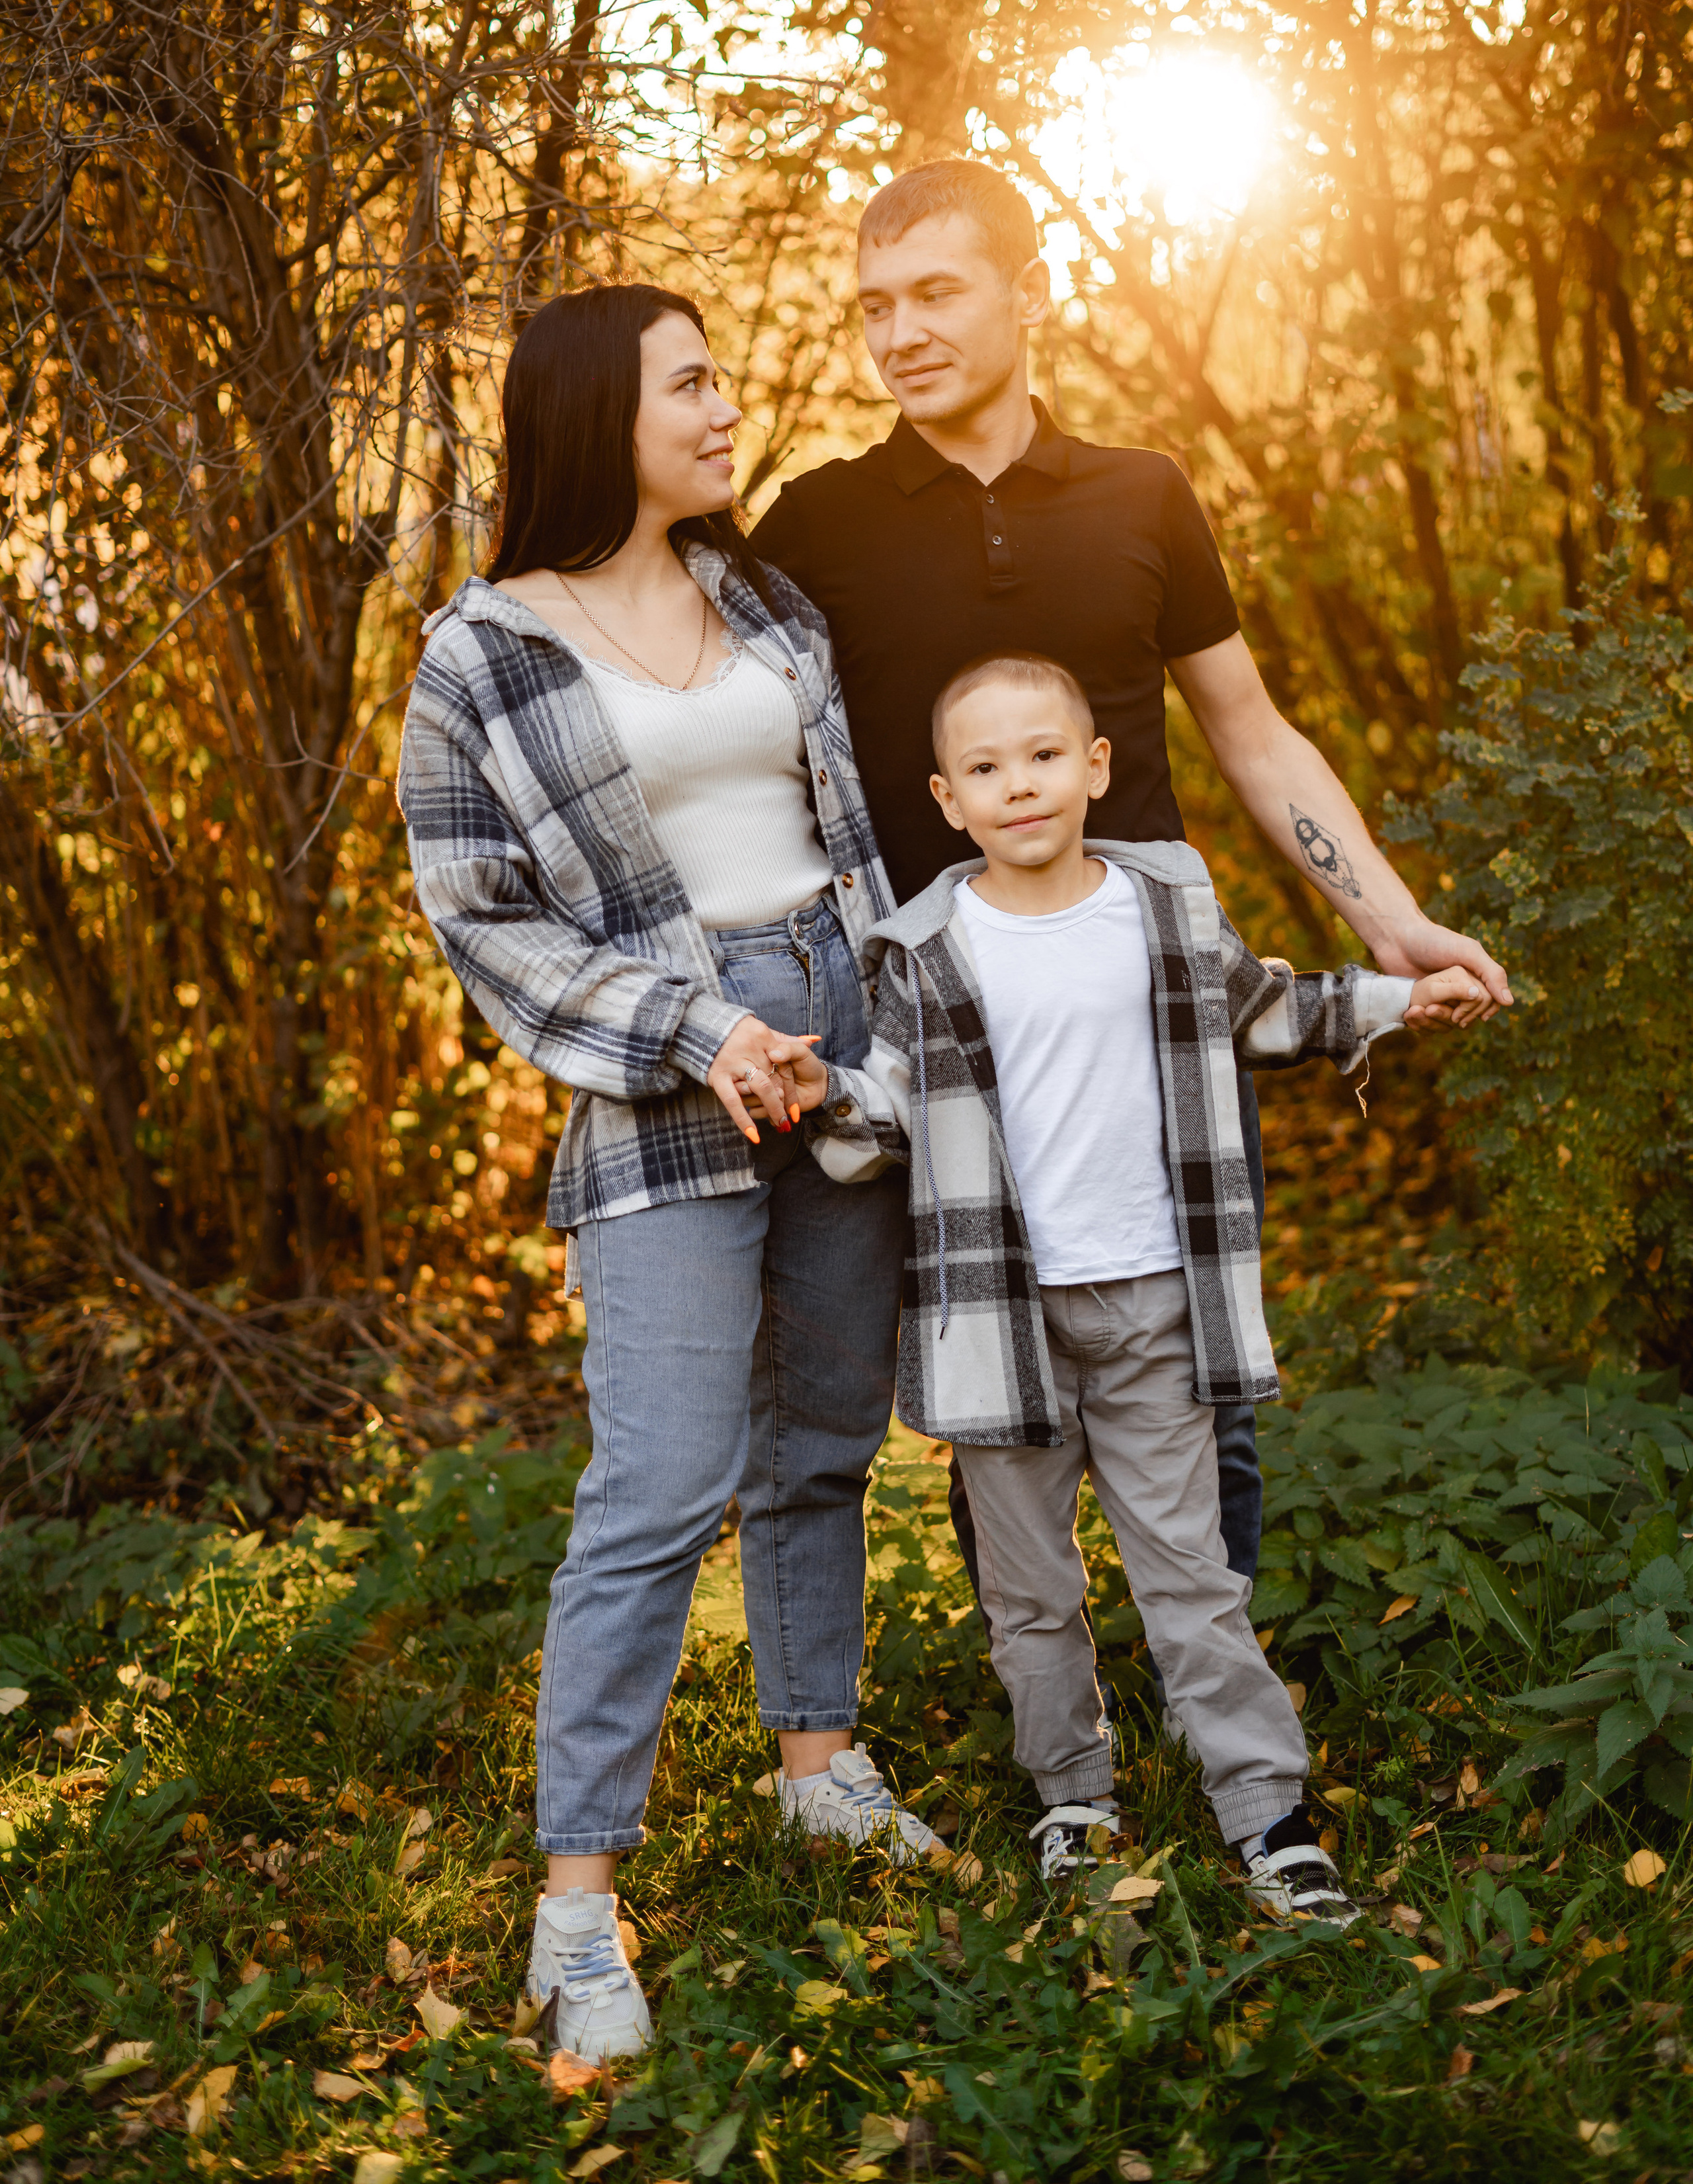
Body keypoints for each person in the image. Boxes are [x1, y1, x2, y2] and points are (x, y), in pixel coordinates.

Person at [751, 157, 1512, 1632]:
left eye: (935, 292)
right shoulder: (818, 524)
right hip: (956, 1011)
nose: (899, 331)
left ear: (1027, 296)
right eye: (873, 307)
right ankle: (1052, 1721)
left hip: (1149, 988)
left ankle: (1208, 1685)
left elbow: (1247, 727)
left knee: (1194, 1349)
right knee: (990, 1356)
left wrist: (1387, 922)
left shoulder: (1140, 493)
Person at [397, 284, 938, 2066]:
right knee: (660, 1476)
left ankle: (817, 1758)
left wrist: (854, 1026)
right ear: (591, 416)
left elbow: (845, 832)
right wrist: (695, 1032)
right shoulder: (485, 647)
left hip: (832, 1031)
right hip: (662, 1064)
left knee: (828, 1428)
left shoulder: (762, 596)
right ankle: (576, 1903)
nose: (727, 407)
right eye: (690, 384)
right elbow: (483, 917)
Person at [782, 651, 1493, 1913]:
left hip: (1152, 1298)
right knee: (1031, 1589)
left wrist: (1399, 997)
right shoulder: (929, 946)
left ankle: (1268, 1811)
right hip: (1000, 1318)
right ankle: (1072, 1795)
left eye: (1045, 755)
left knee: (1189, 1569)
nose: (1021, 786)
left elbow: (1269, 1007)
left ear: (1097, 765)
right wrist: (819, 1098)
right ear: (947, 799)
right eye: (986, 768)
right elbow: (883, 1103)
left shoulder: (1162, 906)